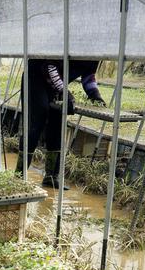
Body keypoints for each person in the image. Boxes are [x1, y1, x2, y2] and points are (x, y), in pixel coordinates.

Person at [16, 59, 105, 188]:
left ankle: (51, 177)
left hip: (58, 84)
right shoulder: (72, 41)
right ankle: (19, 176)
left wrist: (95, 95)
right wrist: (64, 91)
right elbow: (49, 66)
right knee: (36, 122)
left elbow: (88, 75)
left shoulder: (96, 52)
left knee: (57, 125)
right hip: (36, 78)